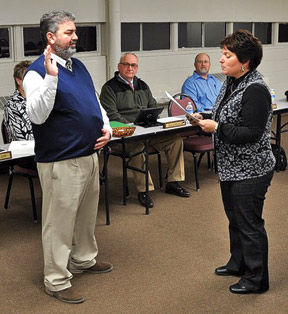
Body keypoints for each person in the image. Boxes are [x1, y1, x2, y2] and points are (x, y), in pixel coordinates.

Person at [23, 10, 113, 304]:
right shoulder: (36, 72)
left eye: (75, 31)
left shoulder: (79, 67)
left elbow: (95, 103)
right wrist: (51, 78)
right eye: (69, 32)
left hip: (89, 155)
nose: (75, 37)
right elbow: (36, 115)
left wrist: (107, 127)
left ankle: (83, 259)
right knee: (59, 223)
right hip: (61, 161)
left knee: (86, 217)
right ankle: (56, 279)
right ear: (51, 37)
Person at [187, 30, 275, 294]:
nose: (221, 60)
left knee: (249, 224)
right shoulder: (230, 81)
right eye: (222, 54)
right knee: (234, 219)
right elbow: (224, 116)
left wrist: (216, 128)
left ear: (245, 61)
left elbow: (251, 133)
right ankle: (238, 263)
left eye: (227, 55)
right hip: (230, 168)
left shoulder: (256, 89)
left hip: (252, 169)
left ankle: (257, 279)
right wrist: (203, 118)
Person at [100, 53, 190, 208]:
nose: (130, 68)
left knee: (175, 140)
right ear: (119, 66)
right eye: (126, 65)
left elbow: (152, 106)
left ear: (137, 67)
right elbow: (111, 115)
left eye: (133, 65)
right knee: (138, 148)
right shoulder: (109, 88)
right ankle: (144, 190)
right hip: (126, 135)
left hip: (146, 130)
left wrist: (149, 119)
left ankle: (173, 182)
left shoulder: (142, 85)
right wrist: (133, 125)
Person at [3, 60, 37, 175]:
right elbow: (24, 138)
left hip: (43, 148)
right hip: (26, 155)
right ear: (18, 81)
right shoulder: (12, 106)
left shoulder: (39, 99)